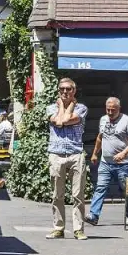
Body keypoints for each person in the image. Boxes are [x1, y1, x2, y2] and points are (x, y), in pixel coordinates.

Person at [45, 78, 89, 241]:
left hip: (75, 153)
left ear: (74, 91)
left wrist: (67, 106)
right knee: (57, 194)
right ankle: (58, 228)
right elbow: (57, 121)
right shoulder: (51, 107)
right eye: (62, 89)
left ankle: (78, 229)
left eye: (68, 89)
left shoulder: (81, 108)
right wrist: (64, 106)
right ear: (58, 90)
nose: (65, 92)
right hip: (56, 154)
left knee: (78, 194)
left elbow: (65, 120)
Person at [86, 97, 128, 226]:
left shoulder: (127, 120)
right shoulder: (103, 119)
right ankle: (94, 215)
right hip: (105, 162)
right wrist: (94, 154)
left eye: (113, 110)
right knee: (100, 187)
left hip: (123, 164)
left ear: (119, 109)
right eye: (108, 109)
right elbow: (100, 137)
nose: (110, 112)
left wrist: (124, 153)